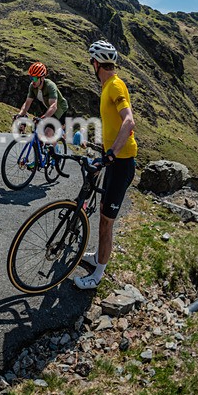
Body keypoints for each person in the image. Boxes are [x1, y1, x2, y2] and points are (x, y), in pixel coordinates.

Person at [75, 40, 137, 289]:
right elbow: (112, 125)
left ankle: (97, 275)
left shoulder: (115, 85)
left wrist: (111, 154)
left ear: (96, 63)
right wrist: (98, 147)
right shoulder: (107, 87)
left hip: (122, 163)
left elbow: (129, 122)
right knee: (101, 215)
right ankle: (98, 257)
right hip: (113, 159)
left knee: (106, 222)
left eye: (92, 62)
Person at [13, 62, 69, 141]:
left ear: (42, 78)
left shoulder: (50, 86)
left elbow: (54, 106)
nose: (33, 81)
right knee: (38, 131)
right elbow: (27, 103)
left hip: (59, 109)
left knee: (47, 133)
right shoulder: (32, 86)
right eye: (31, 78)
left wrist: (44, 118)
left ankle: (56, 142)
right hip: (46, 107)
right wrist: (20, 115)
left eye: (35, 78)